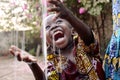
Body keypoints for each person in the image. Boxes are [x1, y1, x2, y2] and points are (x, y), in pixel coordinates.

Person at [9, 0, 105, 80]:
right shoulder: (53, 64)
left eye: (59, 21)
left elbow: (89, 36)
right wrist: (32, 64)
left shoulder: (83, 45)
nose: (54, 27)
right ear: (47, 42)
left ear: (72, 30)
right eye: (47, 27)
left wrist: (68, 15)